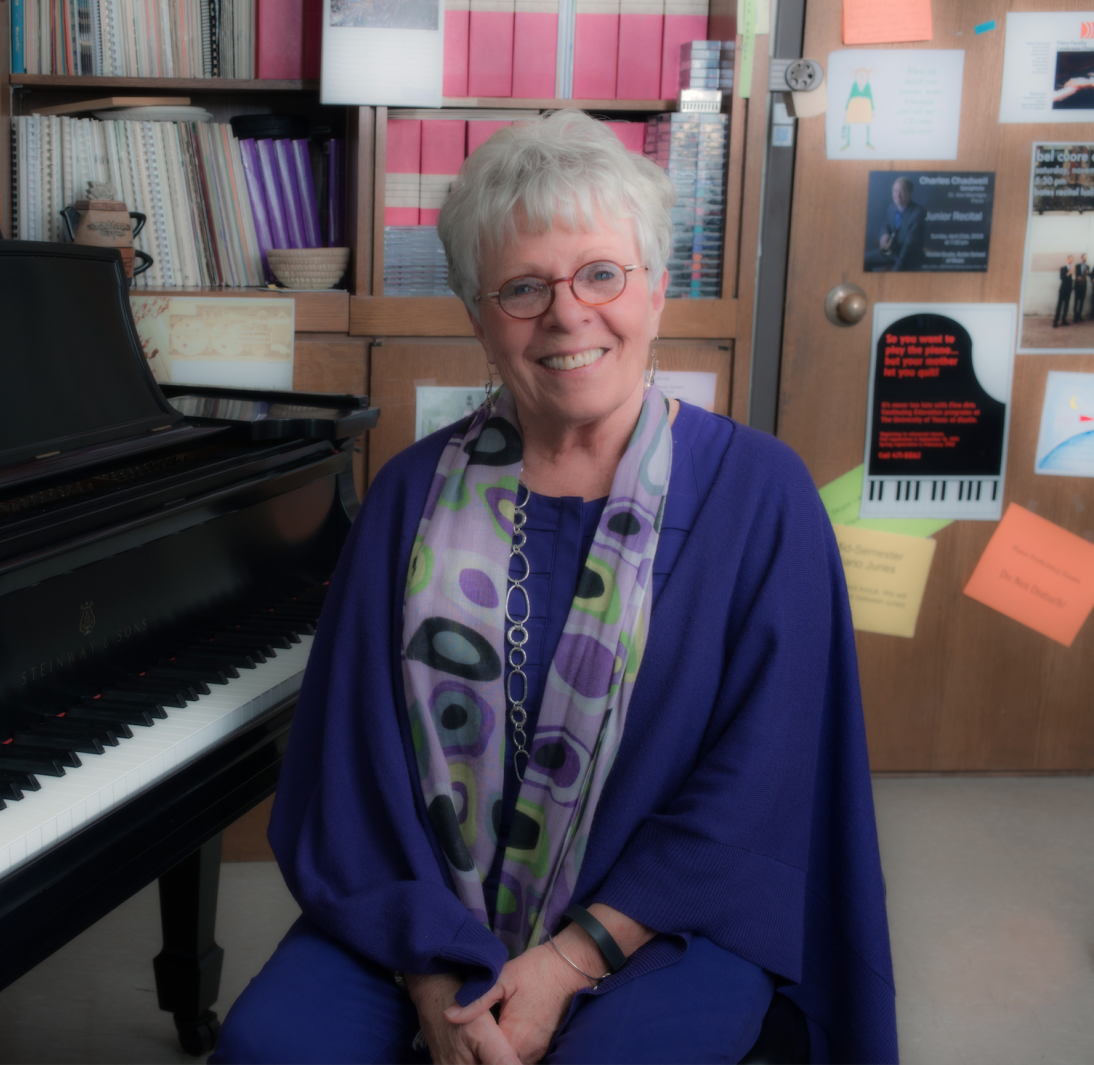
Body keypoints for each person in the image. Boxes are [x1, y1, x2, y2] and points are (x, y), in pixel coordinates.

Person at [213, 110, 895, 1065]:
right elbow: (349, 771)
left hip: (661, 920)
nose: (569, 314)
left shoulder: (760, 495)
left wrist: (570, 962)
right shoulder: (409, 492)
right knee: (271, 1047)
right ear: (477, 317)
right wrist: (436, 980)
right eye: (523, 287)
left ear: (657, 287)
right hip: (421, 912)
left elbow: (762, 785)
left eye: (602, 273)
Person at [865, 177, 926, 271]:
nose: (898, 195)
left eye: (902, 191)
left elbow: (909, 246)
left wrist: (896, 270)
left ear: (910, 193)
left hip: (909, 257)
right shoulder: (891, 207)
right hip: (892, 252)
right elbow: (887, 224)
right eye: (895, 191)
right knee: (865, 260)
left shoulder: (918, 213)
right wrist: (884, 234)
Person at [1055, 255, 1075, 328]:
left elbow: (1072, 279)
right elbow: (1062, 278)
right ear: (1067, 260)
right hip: (1063, 289)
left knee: (1066, 306)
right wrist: (1069, 273)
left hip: (1069, 290)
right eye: (1070, 259)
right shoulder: (1063, 268)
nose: (1071, 261)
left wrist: (1073, 274)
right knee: (1059, 305)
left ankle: (1064, 320)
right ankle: (1056, 321)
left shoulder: (1072, 269)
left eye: (1072, 259)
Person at [1075, 253, 1089, 323]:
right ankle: (1075, 316)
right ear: (1082, 258)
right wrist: (1078, 277)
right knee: (1076, 301)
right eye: (1084, 257)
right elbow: (1075, 274)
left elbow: (1089, 275)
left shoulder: (1087, 266)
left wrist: (1088, 273)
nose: (1085, 259)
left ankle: (1079, 316)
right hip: (1078, 286)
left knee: (1082, 302)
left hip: (1083, 286)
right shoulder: (1077, 266)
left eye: (1086, 258)